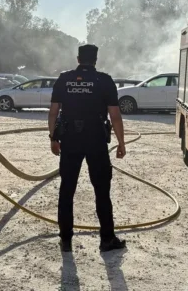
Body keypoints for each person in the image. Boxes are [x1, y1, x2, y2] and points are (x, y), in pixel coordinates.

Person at [48, 44, 127, 253]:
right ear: (95, 60)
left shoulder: (64, 79)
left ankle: (65, 240)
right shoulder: (104, 80)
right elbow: (115, 115)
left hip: (70, 140)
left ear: (78, 59)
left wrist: (53, 139)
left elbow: (53, 112)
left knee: (67, 190)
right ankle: (107, 240)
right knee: (102, 190)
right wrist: (121, 142)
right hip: (96, 140)